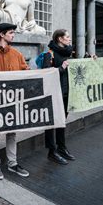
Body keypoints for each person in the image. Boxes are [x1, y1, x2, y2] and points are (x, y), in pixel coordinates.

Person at [0, 23, 30, 180]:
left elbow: (26, 71)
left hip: (13, 101)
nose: (13, 35)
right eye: (11, 33)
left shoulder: (17, 54)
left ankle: (12, 163)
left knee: (12, 133)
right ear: (1, 35)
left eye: (13, 33)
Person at [42, 29, 75, 165]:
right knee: (52, 123)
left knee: (62, 122)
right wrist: (61, 68)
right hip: (55, 94)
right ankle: (52, 151)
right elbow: (46, 73)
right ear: (60, 39)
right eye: (67, 37)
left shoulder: (68, 53)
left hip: (66, 93)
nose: (69, 39)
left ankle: (62, 148)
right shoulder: (49, 54)